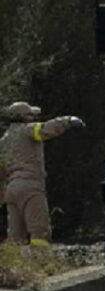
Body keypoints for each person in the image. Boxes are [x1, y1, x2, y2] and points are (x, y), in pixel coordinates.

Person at [1, 102, 85, 247]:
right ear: (24, 117)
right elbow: (46, 129)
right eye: (31, 115)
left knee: (15, 235)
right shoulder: (28, 130)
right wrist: (68, 121)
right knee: (39, 231)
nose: (33, 117)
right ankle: (41, 261)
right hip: (30, 186)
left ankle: (18, 266)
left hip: (11, 190)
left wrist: (2, 194)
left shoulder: (4, 141)